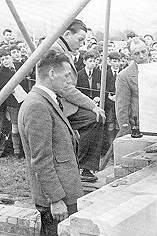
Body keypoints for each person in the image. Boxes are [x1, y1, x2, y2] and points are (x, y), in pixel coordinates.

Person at [18, 51, 84, 236]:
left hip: (63, 192)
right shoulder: (37, 105)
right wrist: (56, 200)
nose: (69, 82)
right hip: (58, 199)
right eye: (66, 76)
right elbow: (41, 160)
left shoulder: (45, 100)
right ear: (52, 73)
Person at [50, 18, 105, 182]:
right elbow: (64, 87)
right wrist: (91, 105)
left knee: (95, 118)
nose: (82, 44)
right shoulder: (56, 51)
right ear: (67, 34)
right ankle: (84, 167)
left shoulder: (62, 49)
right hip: (56, 105)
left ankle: (83, 167)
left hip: (63, 102)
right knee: (94, 118)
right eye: (80, 39)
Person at [115, 37, 149, 136]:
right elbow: (122, 107)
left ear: (148, 50)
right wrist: (126, 131)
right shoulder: (124, 76)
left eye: (143, 52)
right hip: (138, 127)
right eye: (136, 53)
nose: (141, 56)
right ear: (131, 55)